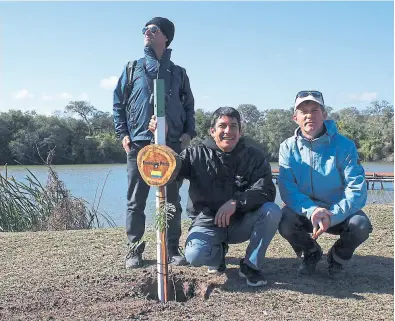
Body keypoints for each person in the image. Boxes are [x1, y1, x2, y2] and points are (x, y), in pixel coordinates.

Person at [149, 107, 282, 287]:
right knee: (194, 255)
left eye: (233, 126)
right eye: (222, 126)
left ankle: (251, 265)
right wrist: (158, 139)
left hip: (241, 223)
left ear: (240, 131)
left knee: (271, 211)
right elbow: (168, 169)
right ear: (212, 131)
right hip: (207, 223)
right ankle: (218, 254)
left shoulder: (254, 156)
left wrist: (236, 202)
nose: (228, 131)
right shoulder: (194, 154)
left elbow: (266, 190)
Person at [113, 17, 196, 268]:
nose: (147, 33)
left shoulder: (179, 73)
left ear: (166, 37)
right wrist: (123, 135)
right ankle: (134, 250)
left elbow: (189, 108)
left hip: (171, 146)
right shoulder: (131, 69)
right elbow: (118, 104)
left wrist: (187, 134)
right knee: (135, 201)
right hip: (139, 144)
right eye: (145, 29)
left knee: (172, 200)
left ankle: (172, 249)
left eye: (153, 29)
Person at [278, 90, 373, 279]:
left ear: (324, 114)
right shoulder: (286, 147)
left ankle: (337, 258)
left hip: (338, 212)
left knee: (360, 225)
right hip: (307, 212)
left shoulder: (345, 146)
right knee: (284, 220)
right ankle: (311, 252)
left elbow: (356, 189)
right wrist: (312, 210)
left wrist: (333, 214)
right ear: (295, 117)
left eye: (314, 110)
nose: (309, 116)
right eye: (303, 111)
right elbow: (287, 188)